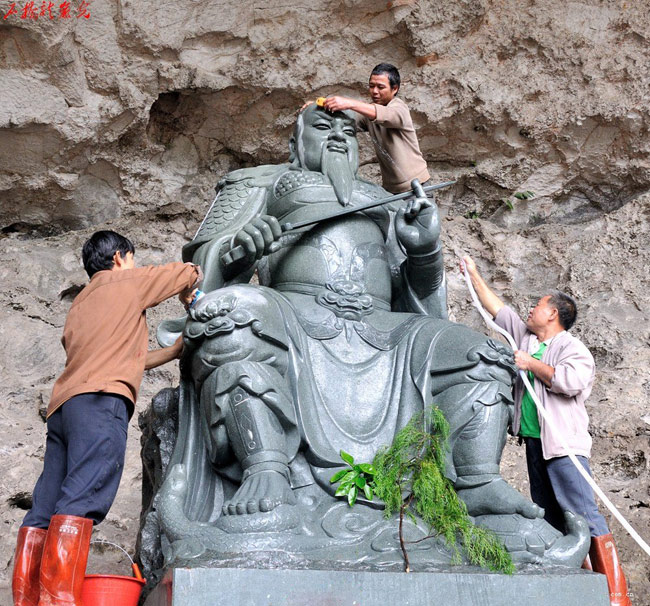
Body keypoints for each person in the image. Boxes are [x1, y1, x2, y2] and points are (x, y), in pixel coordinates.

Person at [12, 230, 202, 606]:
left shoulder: (81, 304)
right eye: (131, 258)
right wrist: (188, 287)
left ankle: (28, 599)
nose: (133, 265)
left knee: (45, 507)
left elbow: (120, 357)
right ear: (118, 257)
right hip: (100, 404)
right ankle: (57, 601)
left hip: (65, 408)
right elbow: (186, 271)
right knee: (81, 497)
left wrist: (172, 351)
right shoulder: (125, 282)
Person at [461, 254, 631, 606]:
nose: (530, 310)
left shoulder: (572, 348)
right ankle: (575, 587)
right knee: (550, 515)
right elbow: (497, 309)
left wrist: (530, 363)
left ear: (552, 313)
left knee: (581, 513)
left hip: (564, 446)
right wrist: (473, 274)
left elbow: (571, 382)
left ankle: (616, 595)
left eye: (537, 306)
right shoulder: (525, 337)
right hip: (536, 444)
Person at [318, 63, 430, 194]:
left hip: (417, 186)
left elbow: (387, 115)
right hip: (391, 190)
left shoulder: (400, 108)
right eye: (371, 86)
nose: (375, 91)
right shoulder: (370, 113)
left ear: (394, 89)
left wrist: (350, 103)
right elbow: (346, 120)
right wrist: (316, 108)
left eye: (380, 87)